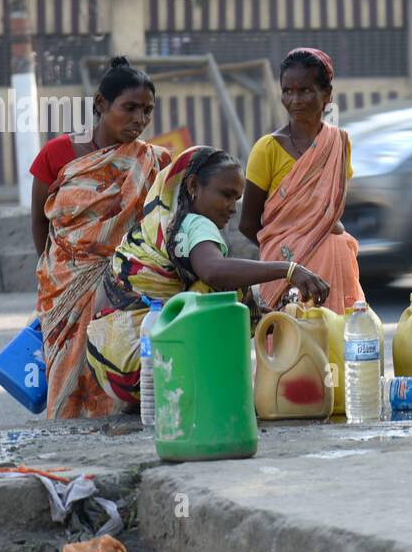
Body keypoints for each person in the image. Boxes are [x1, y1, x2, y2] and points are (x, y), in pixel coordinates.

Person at [86, 146, 329, 407]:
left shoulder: (159, 223)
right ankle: (220, 397)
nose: (232, 209)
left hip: (108, 362)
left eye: (236, 198)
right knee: (226, 294)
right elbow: (214, 271)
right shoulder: (195, 224)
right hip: (142, 362)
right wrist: (288, 270)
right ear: (193, 186)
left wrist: (262, 315)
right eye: (226, 195)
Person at [35, 57, 171, 419]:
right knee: (67, 371)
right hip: (64, 286)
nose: (139, 120)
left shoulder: (153, 162)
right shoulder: (58, 154)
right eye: (129, 108)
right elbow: (39, 221)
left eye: (147, 111)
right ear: (100, 105)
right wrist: (57, 275)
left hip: (122, 286)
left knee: (115, 364)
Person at [237, 47, 363, 311]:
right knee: (291, 345)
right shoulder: (267, 149)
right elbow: (248, 224)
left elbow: (328, 213)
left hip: (336, 264)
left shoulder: (338, 144)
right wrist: (287, 257)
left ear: (327, 95)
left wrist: (314, 239)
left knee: (338, 343)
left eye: (305, 90)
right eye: (287, 91)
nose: (295, 99)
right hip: (289, 274)